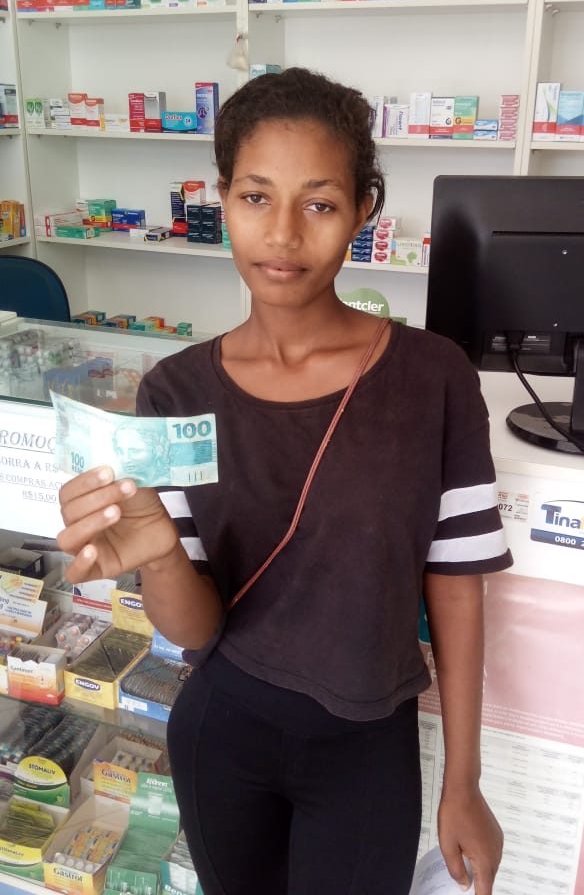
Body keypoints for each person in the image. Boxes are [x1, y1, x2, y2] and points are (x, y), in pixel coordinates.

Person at [57, 67, 512, 895]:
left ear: (364, 211)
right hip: (222, 737)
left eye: (320, 204)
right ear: (223, 200)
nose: (283, 234)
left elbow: (456, 582)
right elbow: (197, 631)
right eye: (256, 197)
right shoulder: (175, 391)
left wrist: (464, 780)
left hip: (367, 746)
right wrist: (159, 554)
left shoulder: (433, 378)